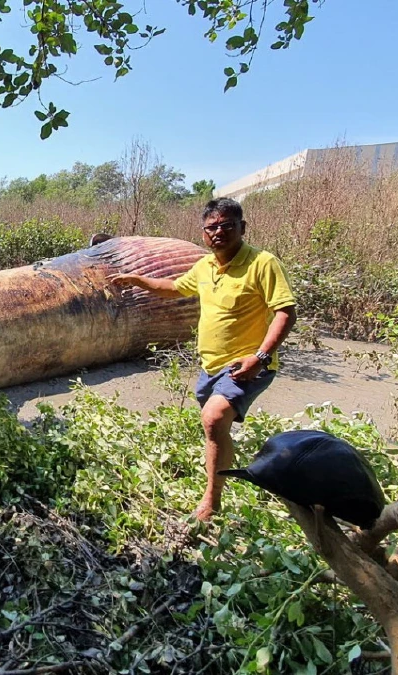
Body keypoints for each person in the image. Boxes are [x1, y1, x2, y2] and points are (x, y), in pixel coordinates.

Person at [109, 198, 297, 521]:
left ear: (242, 228)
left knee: (212, 419)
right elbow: (172, 288)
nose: (219, 232)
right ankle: (230, 473)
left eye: (227, 225)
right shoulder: (204, 266)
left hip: (247, 365)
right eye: (213, 227)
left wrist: (260, 357)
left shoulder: (263, 263)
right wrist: (138, 281)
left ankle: (211, 501)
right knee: (217, 429)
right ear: (204, 233)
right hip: (210, 366)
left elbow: (285, 312)